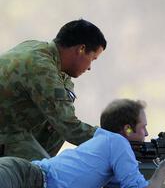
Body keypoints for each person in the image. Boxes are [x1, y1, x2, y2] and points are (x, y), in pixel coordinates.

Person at [0, 99, 165, 188]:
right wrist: (162, 172)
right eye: (143, 128)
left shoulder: (112, 148)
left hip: (30, 184)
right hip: (25, 176)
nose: (147, 134)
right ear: (127, 128)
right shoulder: (118, 143)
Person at [0, 19, 107, 160]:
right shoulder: (41, 67)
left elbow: (63, 102)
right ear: (81, 49)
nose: (89, 67)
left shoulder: (38, 50)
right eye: (92, 58)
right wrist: (112, 140)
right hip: (7, 134)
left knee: (54, 128)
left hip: (11, 128)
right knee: (45, 176)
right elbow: (69, 126)